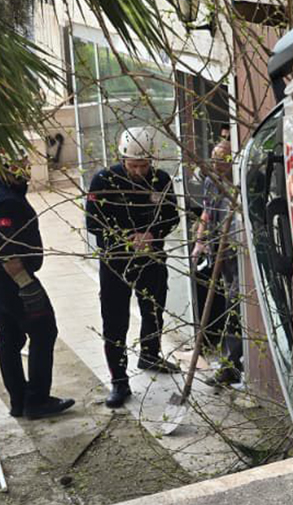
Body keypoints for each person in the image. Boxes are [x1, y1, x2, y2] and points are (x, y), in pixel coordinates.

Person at [86, 127, 181, 408]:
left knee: (154, 309)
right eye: (133, 165)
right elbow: (94, 223)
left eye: (144, 165)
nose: (139, 171)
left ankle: (150, 354)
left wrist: (153, 234)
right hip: (116, 261)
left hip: (151, 258)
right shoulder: (104, 180)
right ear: (123, 159)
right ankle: (119, 381)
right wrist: (127, 237)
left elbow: (171, 216)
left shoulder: (161, 180)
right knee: (115, 321)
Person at [0, 150, 74, 419]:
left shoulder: (9, 195)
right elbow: (7, 252)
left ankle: (19, 401)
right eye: (22, 165)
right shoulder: (8, 202)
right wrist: (26, 285)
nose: (27, 169)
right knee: (44, 331)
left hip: (5, 286)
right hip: (14, 283)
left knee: (10, 337)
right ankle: (37, 400)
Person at [191, 139, 242, 386]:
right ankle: (230, 364)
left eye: (223, 159)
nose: (217, 163)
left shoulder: (240, 183)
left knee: (235, 306)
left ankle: (231, 365)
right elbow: (207, 212)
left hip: (238, 253)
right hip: (220, 254)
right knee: (228, 304)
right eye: (214, 157)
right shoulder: (211, 181)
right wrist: (200, 240)